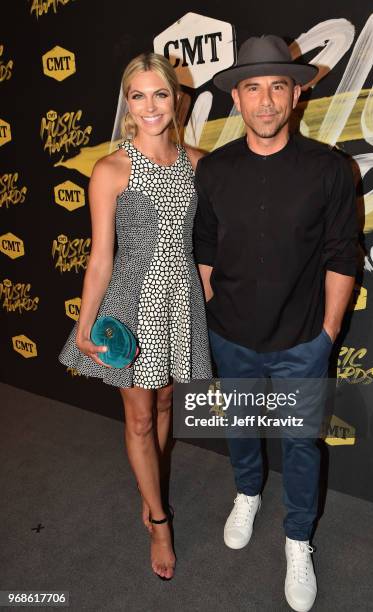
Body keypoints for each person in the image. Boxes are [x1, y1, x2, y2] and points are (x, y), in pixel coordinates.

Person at [194, 35, 358, 611]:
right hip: (231, 335)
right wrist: (213, 316)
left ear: (296, 97)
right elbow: (205, 250)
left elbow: (343, 255)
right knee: (241, 428)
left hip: (302, 342)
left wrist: (328, 334)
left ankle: (298, 540)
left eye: (278, 87)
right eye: (253, 88)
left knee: (301, 444)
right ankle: (246, 494)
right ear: (236, 98)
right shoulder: (213, 170)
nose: (266, 102)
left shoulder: (331, 170)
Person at [59, 52, 212, 580]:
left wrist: (207, 285)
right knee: (141, 417)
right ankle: (158, 516)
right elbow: (101, 256)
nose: (150, 106)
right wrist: (84, 323)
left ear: (176, 99)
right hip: (132, 302)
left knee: (167, 398)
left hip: (180, 298)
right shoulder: (111, 169)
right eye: (139, 95)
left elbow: (209, 238)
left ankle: (152, 484)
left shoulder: (198, 161)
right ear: (127, 102)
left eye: (160, 94)